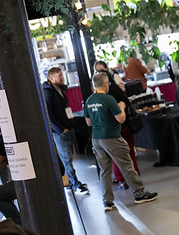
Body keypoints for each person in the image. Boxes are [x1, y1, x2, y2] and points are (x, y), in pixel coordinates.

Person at [85, 72, 158, 211]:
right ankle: (140, 194)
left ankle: (107, 201)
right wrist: (122, 107)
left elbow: (88, 122)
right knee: (126, 166)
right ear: (106, 84)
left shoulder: (89, 100)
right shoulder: (108, 99)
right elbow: (121, 119)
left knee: (104, 171)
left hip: (97, 138)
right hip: (112, 137)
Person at [43, 67, 89, 194]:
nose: (62, 79)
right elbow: (48, 114)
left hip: (67, 128)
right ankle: (75, 183)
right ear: (51, 79)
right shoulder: (48, 92)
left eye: (62, 76)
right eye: (59, 77)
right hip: (60, 131)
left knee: (67, 158)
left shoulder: (60, 89)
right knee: (67, 159)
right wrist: (60, 129)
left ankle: (69, 182)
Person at [95, 60, 140, 189]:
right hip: (120, 127)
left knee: (119, 156)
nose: (99, 73)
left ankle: (124, 180)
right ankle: (132, 179)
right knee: (127, 154)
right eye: (97, 71)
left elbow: (120, 117)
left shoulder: (105, 96)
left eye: (101, 71)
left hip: (118, 128)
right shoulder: (113, 93)